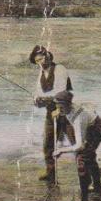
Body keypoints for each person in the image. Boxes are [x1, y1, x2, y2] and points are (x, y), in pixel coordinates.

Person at [29, 45, 74, 185]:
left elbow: (60, 91)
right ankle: (50, 173)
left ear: (47, 56)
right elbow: (39, 92)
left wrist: (44, 98)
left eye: (41, 58)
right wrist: (37, 100)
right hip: (51, 112)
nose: (40, 63)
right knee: (48, 144)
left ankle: (89, 176)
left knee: (76, 142)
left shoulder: (60, 69)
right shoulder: (41, 73)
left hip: (66, 112)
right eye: (37, 61)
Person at [52, 91, 101, 201]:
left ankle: (84, 198)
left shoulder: (78, 119)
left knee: (82, 158)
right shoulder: (67, 108)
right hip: (90, 124)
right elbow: (61, 111)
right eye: (57, 107)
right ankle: (97, 187)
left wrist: (61, 150)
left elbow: (79, 145)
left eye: (61, 108)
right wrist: (58, 112)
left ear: (68, 105)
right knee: (89, 157)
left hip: (97, 128)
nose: (59, 110)